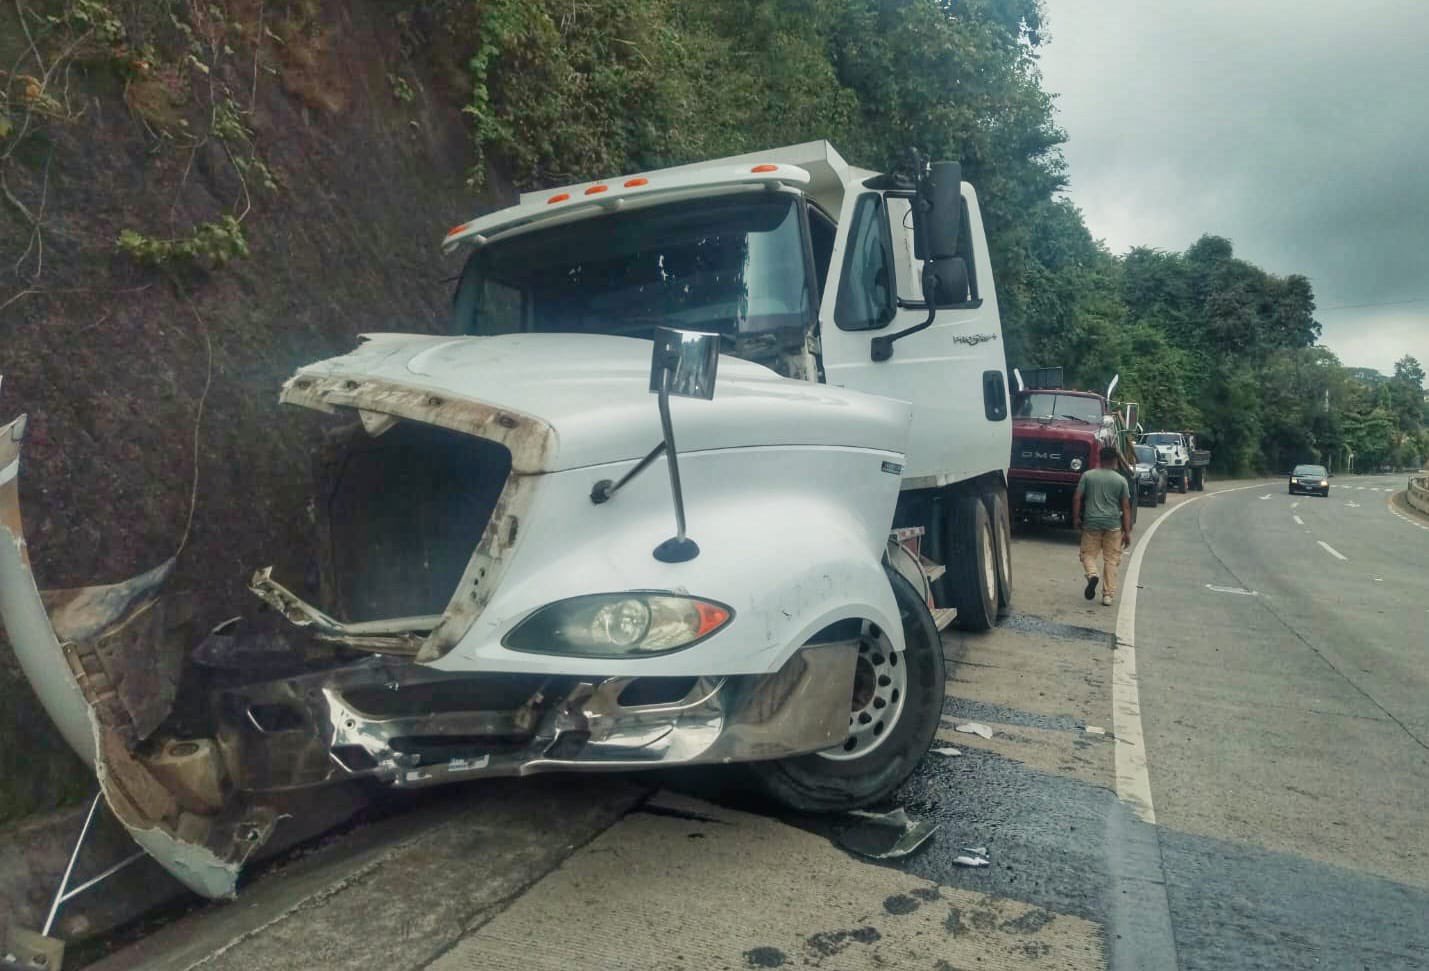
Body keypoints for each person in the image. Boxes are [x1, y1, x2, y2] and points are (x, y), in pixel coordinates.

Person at [1072, 445, 1133, 607]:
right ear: (1114, 461)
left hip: (1091, 522)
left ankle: (1092, 575)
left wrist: (1076, 517)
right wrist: (1127, 531)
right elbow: (1126, 507)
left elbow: (1077, 498)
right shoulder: (1121, 480)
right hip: (1113, 524)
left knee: (1087, 555)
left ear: (1100, 458)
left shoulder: (1088, 476)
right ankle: (1107, 596)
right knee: (1111, 560)